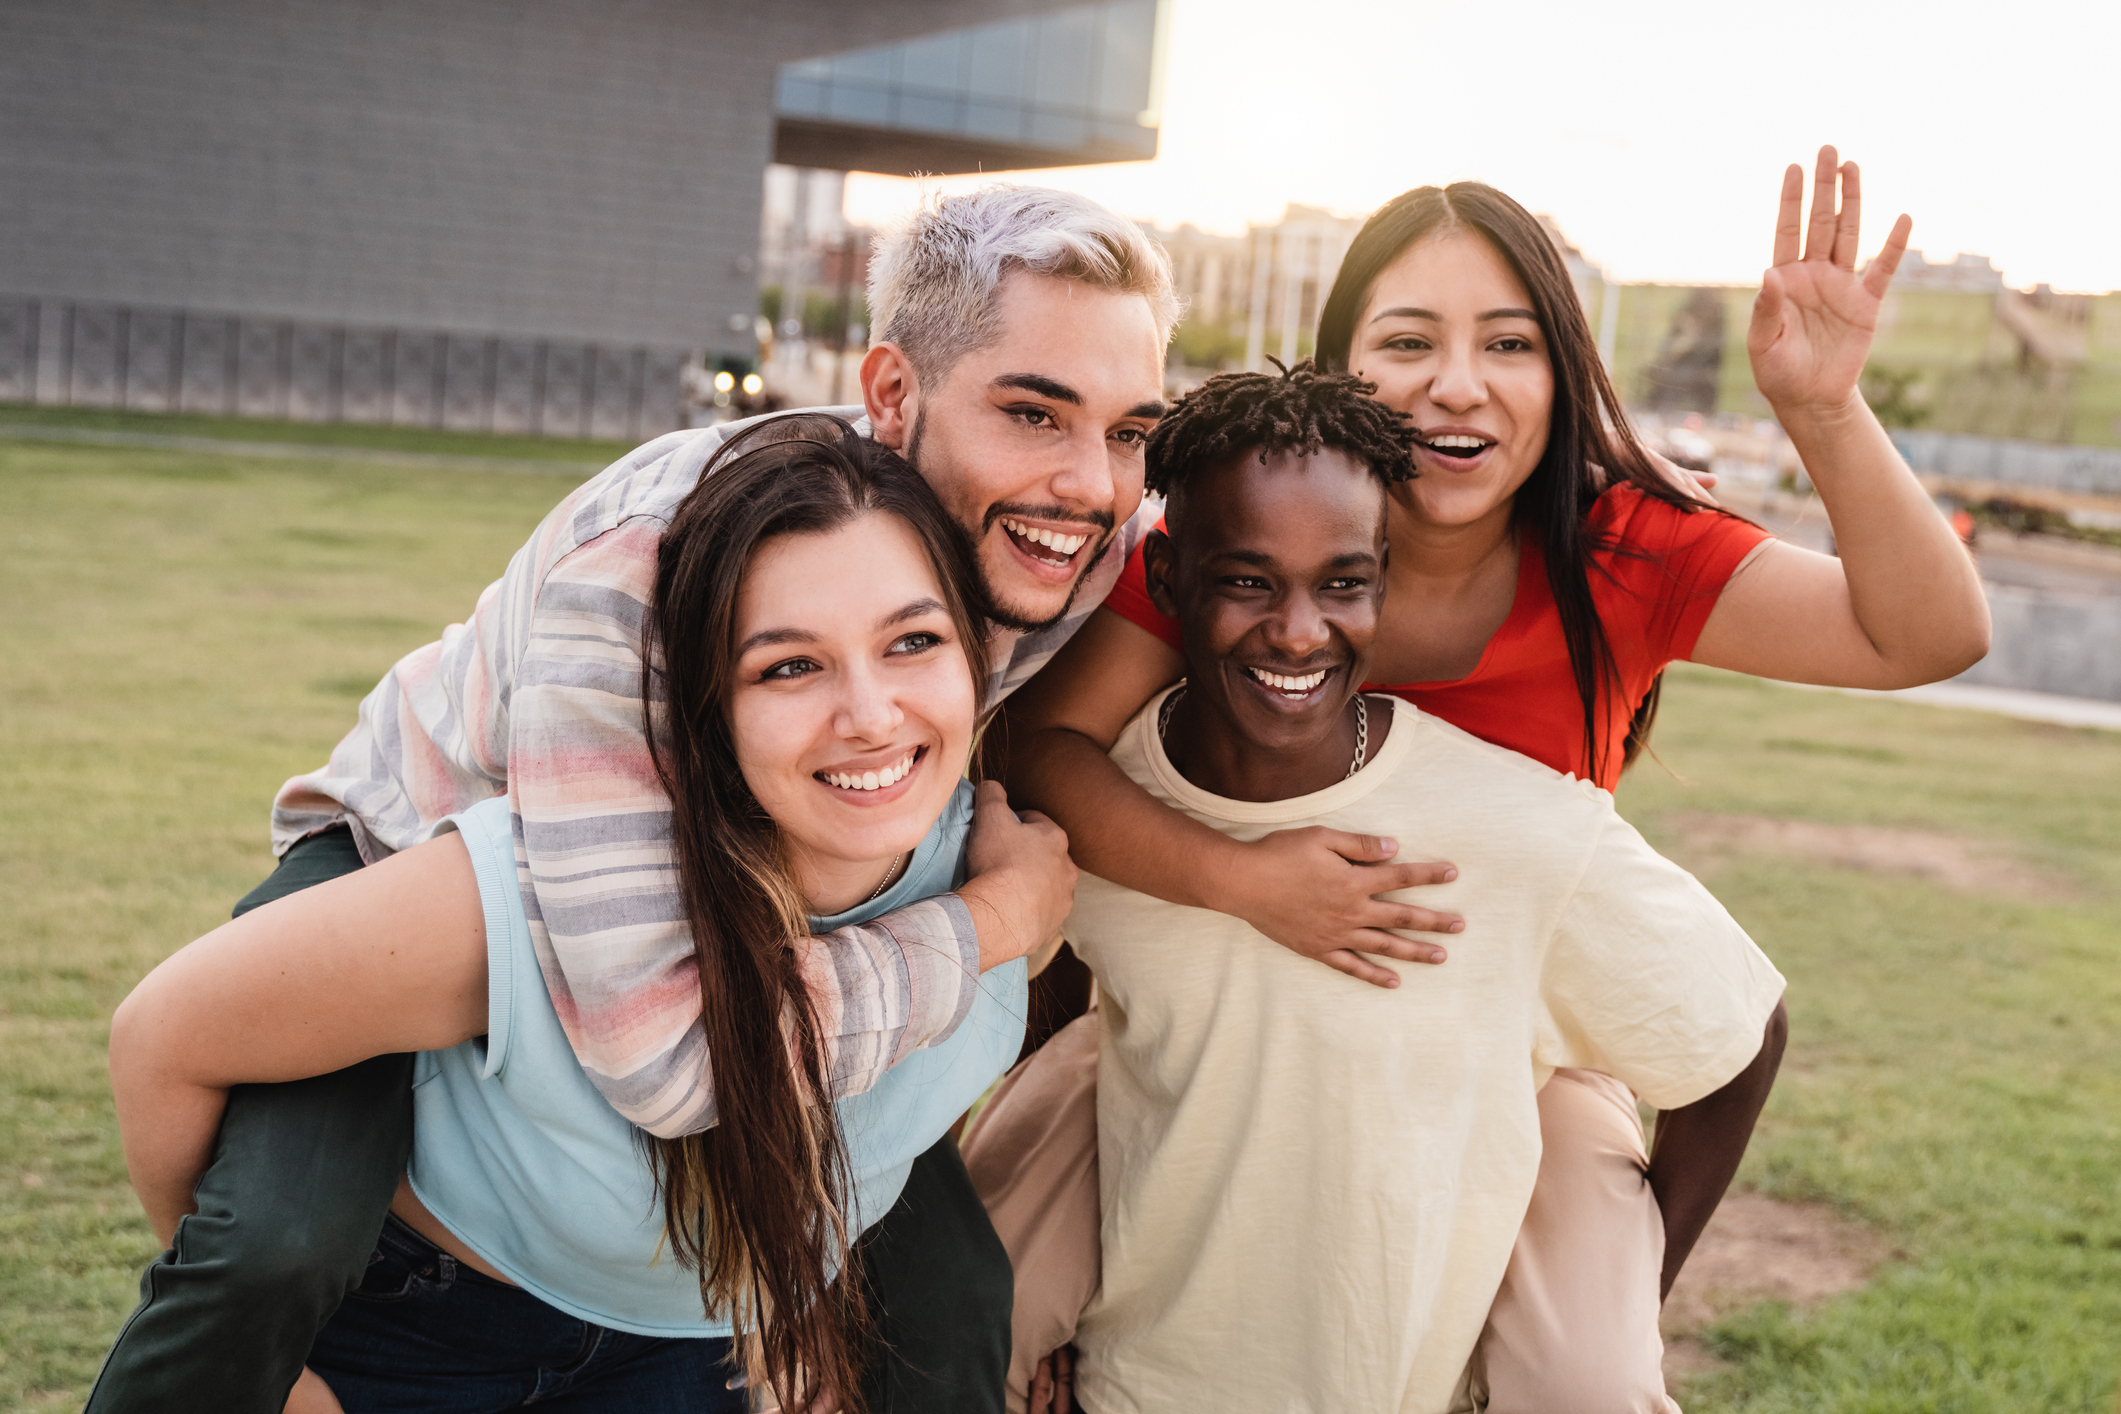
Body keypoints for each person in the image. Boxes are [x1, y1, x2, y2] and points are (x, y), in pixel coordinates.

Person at [87, 185, 1181, 1414]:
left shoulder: (1074, 533)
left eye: (1131, 430)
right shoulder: (659, 565)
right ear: (890, 394)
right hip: (426, 860)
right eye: (1034, 412)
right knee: (276, 1241)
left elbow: (1314, 552)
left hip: (766, 891)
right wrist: (995, 918)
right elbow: (672, 1054)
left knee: (945, 1302)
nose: (1090, 482)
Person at [993, 152, 1988, 1407]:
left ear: (1560, 370)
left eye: (1508, 344)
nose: (1455, 385)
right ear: (1338, 369)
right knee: (973, 1321)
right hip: (1224, 1015)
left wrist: (1825, 409)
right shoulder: (1252, 541)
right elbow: (1045, 747)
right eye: (1407, 340)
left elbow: (1929, 634)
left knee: (1582, 1378)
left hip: (1514, 1044)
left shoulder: (1620, 549)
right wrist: (1243, 882)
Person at [109, 425, 1052, 1411]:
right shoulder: (528, 902)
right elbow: (163, 1039)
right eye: (787, 667)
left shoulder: (1000, 860)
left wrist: (795, 1314)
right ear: (705, 712)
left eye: (914, 641)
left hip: (675, 1355)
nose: (870, 713)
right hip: (417, 1333)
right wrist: (274, 1372)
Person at [968, 365, 1787, 1411]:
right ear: (1167, 581)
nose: (1300, 630)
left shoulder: (1522, 829)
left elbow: (1742, 1040)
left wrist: (1632, 1292)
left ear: (1384, 579)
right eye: (1249, 581)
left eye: (1342, 583)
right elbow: (1057, 998)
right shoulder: (1105, 815)